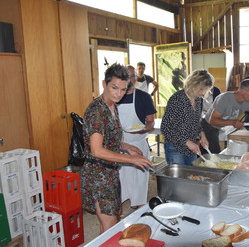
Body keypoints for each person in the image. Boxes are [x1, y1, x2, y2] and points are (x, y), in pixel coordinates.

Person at [80, 63, 152, 233]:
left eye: (123, 89)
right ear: (104, 84)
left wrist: (125, 146)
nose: (118, 93)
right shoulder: (97, 111)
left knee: (115, 216)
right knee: (110, 225)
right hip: (98, 176)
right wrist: (131, 159)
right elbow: (97, 150)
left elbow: (108, 138)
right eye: (114, 87)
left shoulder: (112, 106)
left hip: (110, 172)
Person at [117, 65, 157, 209]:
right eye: (127, 76)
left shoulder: (143, 97)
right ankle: (120, 202)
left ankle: (138, 204)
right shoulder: (115, 97)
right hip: (119, 143)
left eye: (133, 76)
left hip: (139, 142)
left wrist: (146, 128)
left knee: (140, 175)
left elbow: (151, 121)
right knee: (121, 175)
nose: (130, 79)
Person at [160, 70, 212, 165]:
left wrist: (202, 135)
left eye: (206, 90)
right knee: (179, 178)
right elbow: (165, 127)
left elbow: (196, 122)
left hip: (191, 148)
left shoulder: (199, 100)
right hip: (175, 147)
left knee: (191, 176)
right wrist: (187, 142)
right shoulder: (177, 99)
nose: (203, 93)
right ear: (193, 85)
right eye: (201, 89)